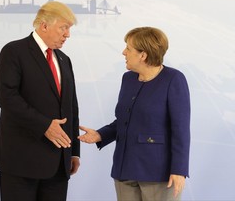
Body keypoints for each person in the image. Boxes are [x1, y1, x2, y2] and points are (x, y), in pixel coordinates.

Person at [78, 27, 191, 201]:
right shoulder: (128, 78)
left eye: (128, 49)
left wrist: (179, 170)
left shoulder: (173, 79)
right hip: (124, 169)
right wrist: (100, 135)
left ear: (143, 55)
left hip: (158, 173)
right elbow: (124, 120)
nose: (124, 52)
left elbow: (181, 129)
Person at [0, 1, 80, 201]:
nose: (68, 35)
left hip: (59, 164)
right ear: (44, 25)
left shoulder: (64, 59)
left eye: (69, 29)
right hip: (21, 161)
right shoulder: (14, 51)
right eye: (64, 28)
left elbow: (71, 107)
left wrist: (74, 151)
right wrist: (44, 125)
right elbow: (7, 98)